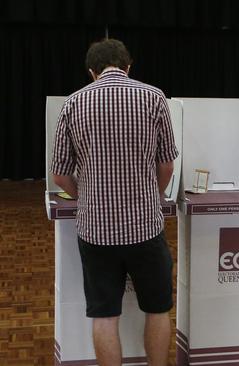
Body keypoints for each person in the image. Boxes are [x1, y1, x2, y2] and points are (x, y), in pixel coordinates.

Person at [51, 38, 178, 366]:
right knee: (158, 310)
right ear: (128, 65)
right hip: (145, 227)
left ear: (92, 72)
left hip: (96, 231)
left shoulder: (73, 104)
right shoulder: (154, 97)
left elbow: (60, 176)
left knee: (104, 316)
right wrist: (155, 194)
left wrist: (84, 196)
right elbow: (166, 165)